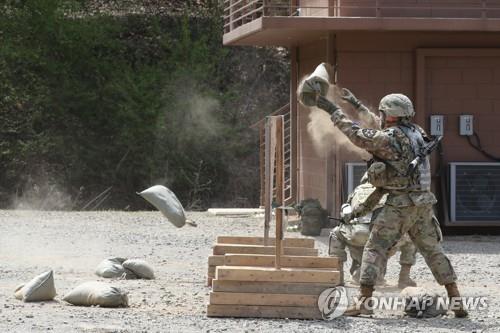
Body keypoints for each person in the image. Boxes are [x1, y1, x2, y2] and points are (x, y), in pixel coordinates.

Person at [314, 90, 468, 317]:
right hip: (423, 204)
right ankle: (457, 302)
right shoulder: (417, 133)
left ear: (391, 115)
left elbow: (357, 134)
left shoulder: (388, 139)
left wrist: (333, 110)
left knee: (374, 249)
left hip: (399, 205)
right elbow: (380, 129)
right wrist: (357, 104)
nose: (381, 116)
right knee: (434, 251)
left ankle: (364, 304)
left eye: (383, 113)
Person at [329, 174, 418, 289]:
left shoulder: (357, 190)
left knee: (335, 234)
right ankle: (404, 278)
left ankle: (338, 276)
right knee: (411, 237)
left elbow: (346, 214)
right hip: (385, 238)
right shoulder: (392, 192)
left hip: (359, 234)